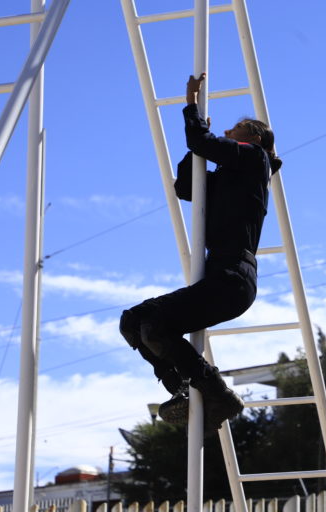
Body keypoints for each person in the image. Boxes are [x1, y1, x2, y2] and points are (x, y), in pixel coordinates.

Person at [119, 72, 282, 433]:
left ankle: (215, 391)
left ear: (253, 138)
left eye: (235, 128)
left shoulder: (255, 160)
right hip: (220, 277)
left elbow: (202, 138)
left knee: (156, 324)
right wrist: (196, 146)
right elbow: (186, 187)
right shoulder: (228, 178)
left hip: (232, 278)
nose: (226, 132)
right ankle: (182, 389)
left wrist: (191, 105)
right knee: (134, 322)